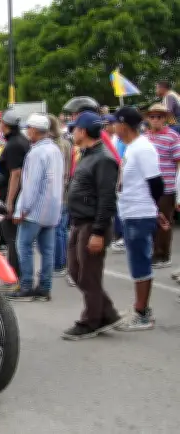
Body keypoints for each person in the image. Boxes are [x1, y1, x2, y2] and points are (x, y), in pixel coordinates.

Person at [62, 111, 122, 340]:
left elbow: (107, 199)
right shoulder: (87, 155)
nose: (73, 132)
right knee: (76, 272)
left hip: (91, 224)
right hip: (79, 222)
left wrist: (98, 232)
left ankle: (91, 321)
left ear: (84, 131)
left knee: (88, 275)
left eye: (75, 128)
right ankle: (107, 313)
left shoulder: (104, 159)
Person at [112, 106, 168, 331]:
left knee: (140, 262)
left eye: (115, 123)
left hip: (138, 212)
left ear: (124, 125)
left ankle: (142, 313)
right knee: (137, 261)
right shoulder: (132, 147)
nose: (113, 127)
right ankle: (139, 307)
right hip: (132, 211)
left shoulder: (142, 148)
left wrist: (153, 208)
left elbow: (156, 182)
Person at [8, 114, 64, 302]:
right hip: (53, 207)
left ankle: (26, 285)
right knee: (47, 250)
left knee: (23, 246)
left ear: (33, 130)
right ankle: (45, 287)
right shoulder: (55, 149)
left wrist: (21, 210)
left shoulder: (35, 153)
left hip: (35, 210)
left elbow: (31, 186)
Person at [0, 110, 31, 280]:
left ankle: (16, 276)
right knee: (15, 238)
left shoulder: (14, 144)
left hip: (13, 195)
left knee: (12, 238)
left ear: (5, 125)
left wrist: (9, 201)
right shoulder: (21, 141)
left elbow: (16, 173)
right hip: (18, 194)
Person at [141, 103, 179, 268]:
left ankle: (163, 255)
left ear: (165, 118)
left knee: (163, 220)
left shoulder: (173, 136)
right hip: (148, 186)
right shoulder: (144, 137)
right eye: (152, 116)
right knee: (150, 220)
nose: (156, 119)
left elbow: (179, 162)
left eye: (159, 116)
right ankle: (154, 251)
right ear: (148, 119)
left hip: (166, 186)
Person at [49, 114, 74, 279]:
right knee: (63, 230)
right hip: (65, 190)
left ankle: (59, 264)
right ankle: (63, 262)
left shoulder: (54, 146)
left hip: (57, 191)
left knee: (58, 229)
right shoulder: (66, 143)